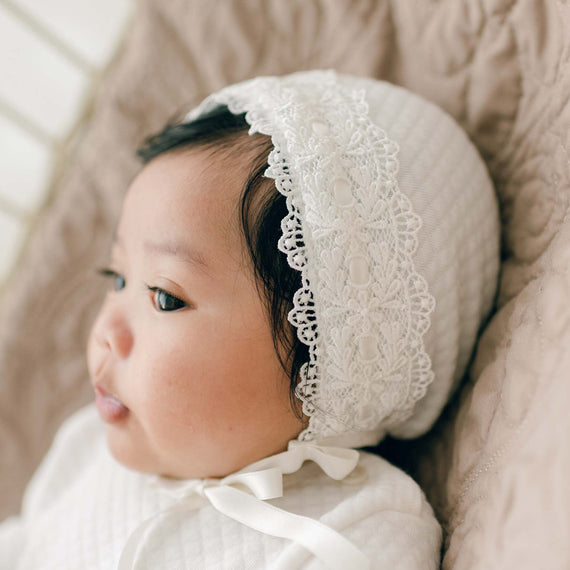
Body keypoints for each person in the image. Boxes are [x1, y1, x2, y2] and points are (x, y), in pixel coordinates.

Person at [0, 70, 500, 569]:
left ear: (335, 366)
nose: (107, 331)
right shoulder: (86, 447)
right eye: (117, 278)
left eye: (165, 298)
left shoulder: (356, 527)